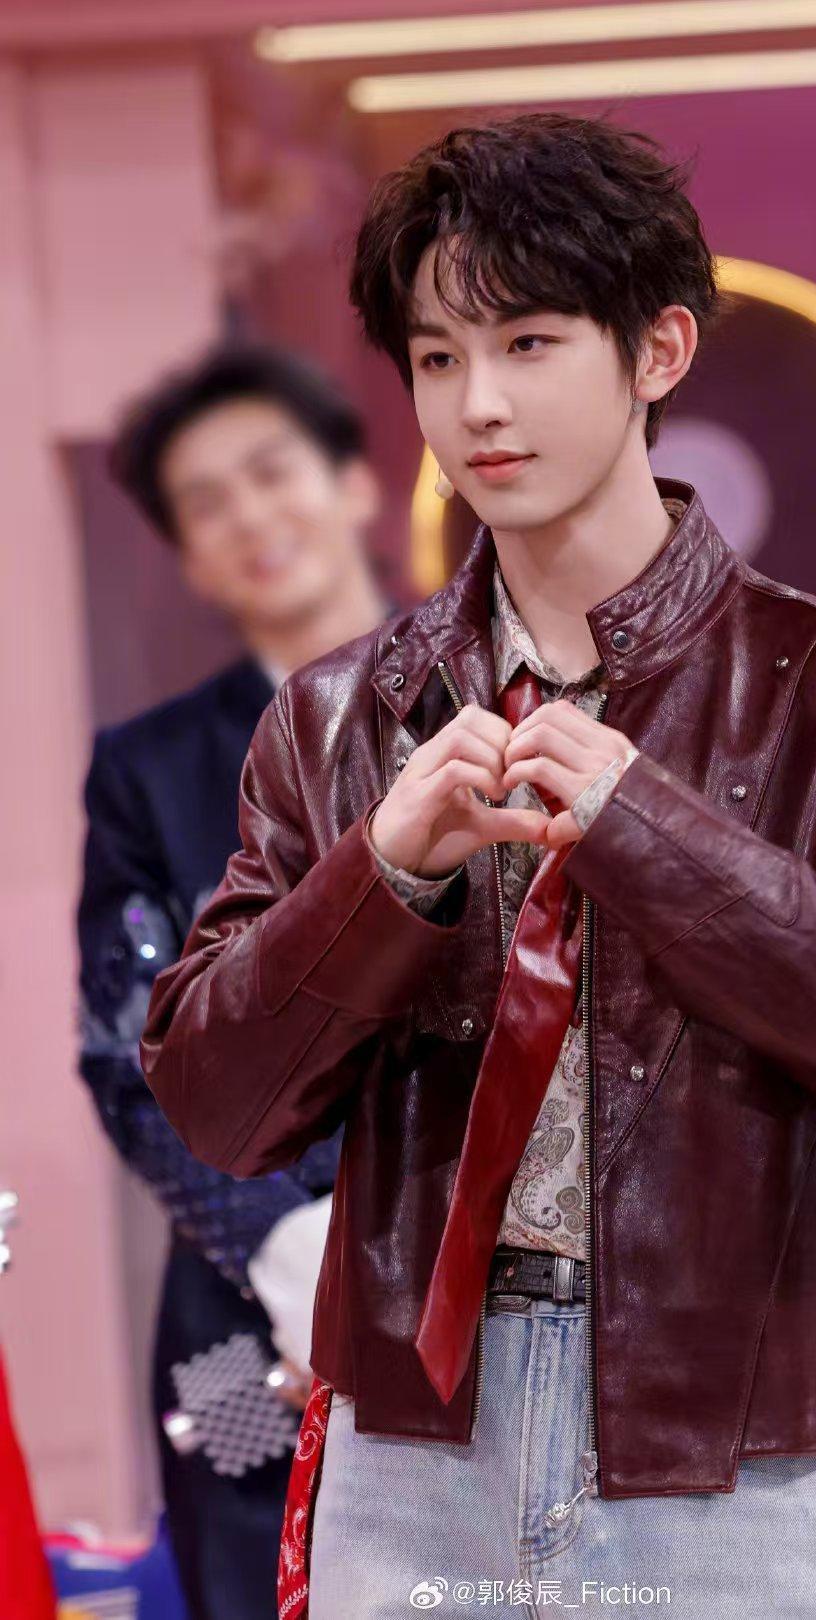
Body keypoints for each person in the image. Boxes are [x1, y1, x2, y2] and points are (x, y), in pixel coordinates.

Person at [139, 114, 816, 1620]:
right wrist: (382, 872)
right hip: (410, 1443)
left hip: (722, 1453)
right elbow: (214, 1104)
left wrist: (653, 830)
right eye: (437, 357)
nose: (479, 404)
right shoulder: (340, 717)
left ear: (658, 352)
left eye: (530, 343)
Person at [77, 343, 390, 1620]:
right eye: (207, 505)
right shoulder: (143, 771)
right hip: (237, 1315)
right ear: (191, 561)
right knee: (248, 1571)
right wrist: (282, 1242)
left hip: (498, 1276)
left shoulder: (504, 700)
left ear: (354, 485)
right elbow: (123, 1048)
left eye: (272, 474)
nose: (251, 518)